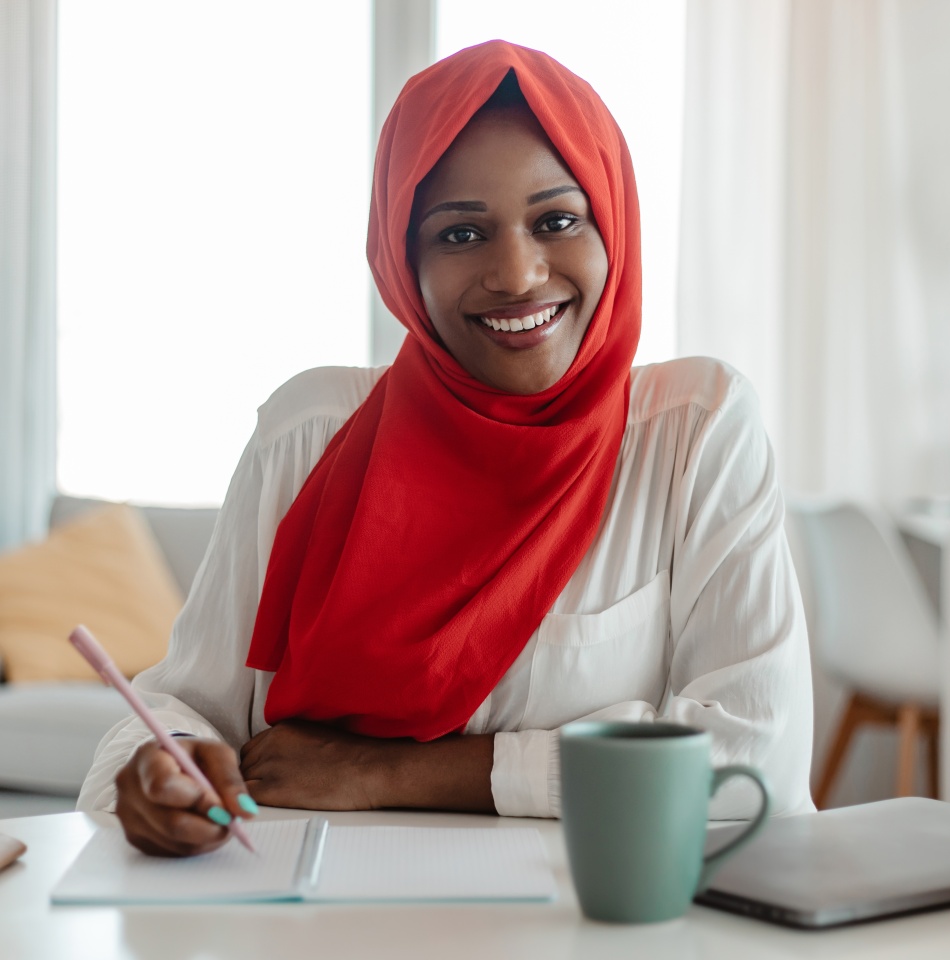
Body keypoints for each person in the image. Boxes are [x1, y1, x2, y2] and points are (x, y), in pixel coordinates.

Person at [78, 40, 814, 857]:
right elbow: (182, 710)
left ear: (613, 223)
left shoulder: (695, 432)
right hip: (318, 918)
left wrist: (386, 774)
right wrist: (158, 765)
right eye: (461, 234)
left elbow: (756, 766)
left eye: (557, 221)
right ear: (403, 261)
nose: (517, 273)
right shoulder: (309, 434)